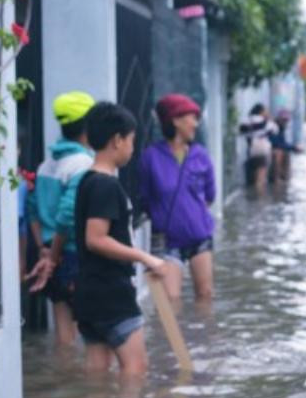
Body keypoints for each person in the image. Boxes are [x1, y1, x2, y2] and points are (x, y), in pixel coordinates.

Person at [75, 102, 166, 376]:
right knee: (136, 369)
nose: (132, 148)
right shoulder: (106, 185)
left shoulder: (86, 181)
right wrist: (145, 257)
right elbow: (96, 239)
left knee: (98, 374)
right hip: (112, 293)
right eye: (131, 141)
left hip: (89, 294)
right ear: (117, 140)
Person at [25, 90, 96, 347]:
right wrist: (54, 255)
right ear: (89, 127)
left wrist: (44, 250)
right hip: (72, 255)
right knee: (90, 334)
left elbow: (32, 210)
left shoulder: (46, 165)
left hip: (48, 255)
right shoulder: (84, 165)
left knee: (63, 334)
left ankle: (64, 377)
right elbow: (67, 217)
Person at [140, 93, 218, 303]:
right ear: (175, 120)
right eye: (191, 117)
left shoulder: (201, 155)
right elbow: (145, 198)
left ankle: (204, 336)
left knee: (205, 296)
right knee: (170, 302)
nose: (196, 123)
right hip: (167, 242)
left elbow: (210, 196)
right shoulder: (151, 157)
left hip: (200, 237)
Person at [238, 103, 274, 190]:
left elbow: (241, 132)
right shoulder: (266, 122)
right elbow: (274, 130)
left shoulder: (247, 120)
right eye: (265, 110)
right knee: (261, 179)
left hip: (250, 151)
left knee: (253, 178)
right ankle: (260, 200)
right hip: (262, 151)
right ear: (261, 111)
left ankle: (253, 198)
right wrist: (269, 119)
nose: (267, 112)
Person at [269, 110, 301, 182]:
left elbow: (282, 142)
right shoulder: (274, 127)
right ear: (279, 119)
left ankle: (285, 176)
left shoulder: (281, 128)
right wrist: (293, 147)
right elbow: (277, 143)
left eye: (286, 120)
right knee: (279, 153)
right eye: (284, 120)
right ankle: (277, 178)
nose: (285, 122)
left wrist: (293, 148)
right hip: (271, 148)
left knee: (286, 153)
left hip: (275, 147)